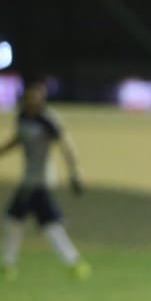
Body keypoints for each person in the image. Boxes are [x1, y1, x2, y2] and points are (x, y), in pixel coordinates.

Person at [1, 78, 91, 281]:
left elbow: (66, 145)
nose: (33, 99)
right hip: (29, 179)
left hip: (41, 180)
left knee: (23, 221)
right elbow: (18, 139)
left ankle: (9, 264)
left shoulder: (48, 119)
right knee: (32, 222)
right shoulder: (23, 117)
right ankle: (73, 263)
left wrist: (75, 172)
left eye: (37, 95)